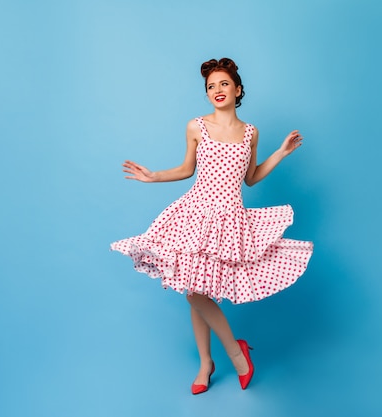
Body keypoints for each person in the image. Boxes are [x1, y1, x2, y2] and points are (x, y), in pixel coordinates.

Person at [111, 57, 313, 394]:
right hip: (195, 214)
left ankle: (208, 364)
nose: (217, 90)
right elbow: (186, 169)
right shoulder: (196, 126)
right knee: (195, 289)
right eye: (210, 86)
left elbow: (250, 179)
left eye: (223, 84)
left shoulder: (251, 133)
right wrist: (154, 176)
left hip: (229, 220)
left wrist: (280, 153)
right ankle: (234, 355)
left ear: (237, 89)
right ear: (206, 95)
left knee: (198, 290)